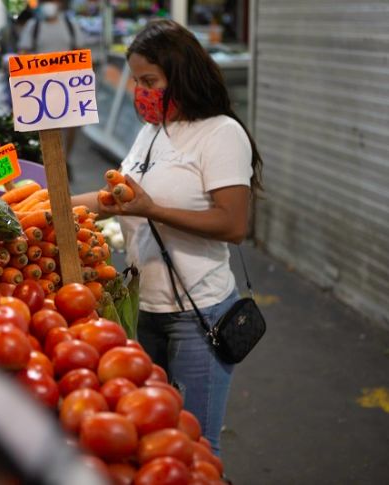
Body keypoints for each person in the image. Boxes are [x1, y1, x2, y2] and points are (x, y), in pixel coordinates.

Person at [71, 19, 263, 456]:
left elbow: (233, 225)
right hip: (146, 311)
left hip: (199, 314)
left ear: (181, 74)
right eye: (137, 80)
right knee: (154, 443)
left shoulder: (220, 134)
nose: (140, 90)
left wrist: (151, 209)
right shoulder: (150, 133)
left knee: (195, 447)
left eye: (149, 80)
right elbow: (113, 199)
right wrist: (48, 203)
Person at [16, 0, 86, 160]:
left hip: (68, 85)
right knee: (46, 126)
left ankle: (66, 159)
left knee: (71, 124)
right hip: (41, 87)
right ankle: (49, 159)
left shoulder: (70, 24)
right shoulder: (33, 26)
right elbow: (23, 54)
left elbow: (80, 52)